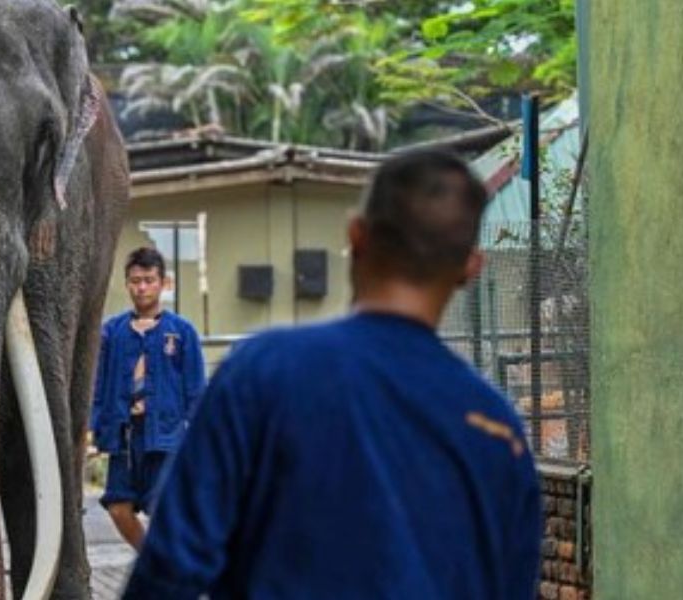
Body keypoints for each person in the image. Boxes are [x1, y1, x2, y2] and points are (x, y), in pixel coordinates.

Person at [123, 150, 543, 598]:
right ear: (470, 268)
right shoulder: (499, 433)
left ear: (356, 235)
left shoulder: (262, 374)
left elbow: (170, 567)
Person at [90, 246, 206, 550]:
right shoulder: (111, 332)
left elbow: (195, 390)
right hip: (125, 435)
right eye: (135, 280)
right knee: (118, 506)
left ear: (162, 283)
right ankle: (151, 559)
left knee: (165, 510)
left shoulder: (182, 332)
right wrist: (95, 428)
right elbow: (99, 385)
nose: (142, 287)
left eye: (149, 280)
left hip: (166, 436)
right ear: (127, 283)